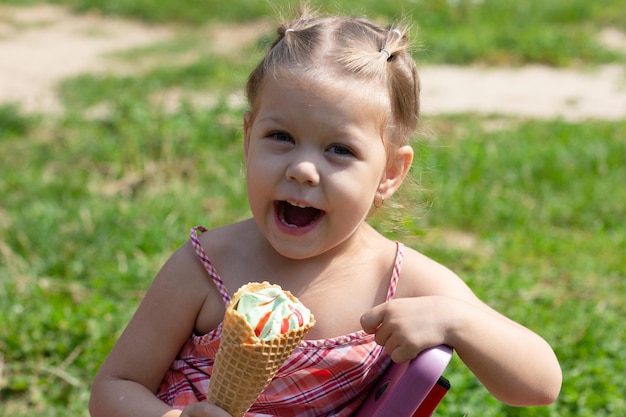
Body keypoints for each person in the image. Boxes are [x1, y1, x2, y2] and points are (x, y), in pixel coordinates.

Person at [89, 6, 562, 417]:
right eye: (281, 138)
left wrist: (457, 320)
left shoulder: (400, 283)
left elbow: (541, 385)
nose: (302, 169)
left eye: (339, 150)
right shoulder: (204, 265)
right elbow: (114, 390)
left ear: (390, 173)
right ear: (248, 136)